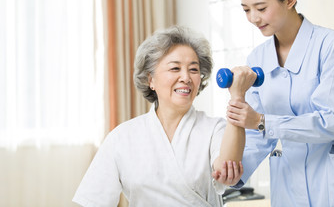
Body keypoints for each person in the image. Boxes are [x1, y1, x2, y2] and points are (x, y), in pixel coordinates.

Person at [214, 0, 334, 206]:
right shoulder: (258, 58)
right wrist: (235, 173)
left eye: (261, 8)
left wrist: (262, 121)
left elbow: (332, 122)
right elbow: (259, 137)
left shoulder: (332, 46)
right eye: (246, 10)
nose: (253, 18)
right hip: (288, 180)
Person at [72, 26, 255, 206]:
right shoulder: (122, 137)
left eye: (193, 69)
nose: (186, 77)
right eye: (175, 68)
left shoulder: (215, 129)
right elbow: (91, 199)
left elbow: (227, 172)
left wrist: (237, 96)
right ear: (150, 79)